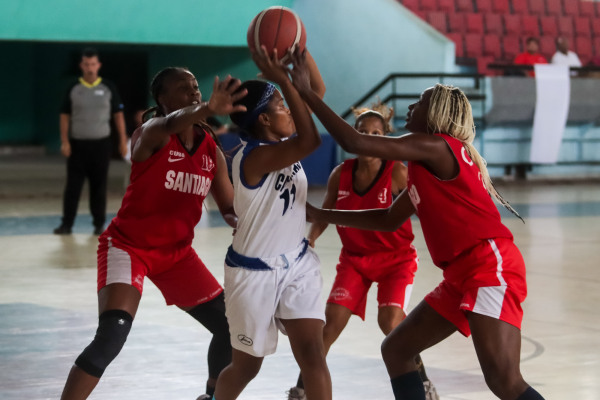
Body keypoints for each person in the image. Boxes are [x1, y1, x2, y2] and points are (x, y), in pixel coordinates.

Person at [289, 57, 546, 400]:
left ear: (435, 114)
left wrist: (307, 92)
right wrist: (321, 213)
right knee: (397, 349)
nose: (411, 106)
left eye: (420, 102)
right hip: (460, 273)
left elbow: (354, 142)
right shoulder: (426, 164)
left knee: (504, 380)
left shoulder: (437, 145)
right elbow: (387, 219)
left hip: (488, 265)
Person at [59, 68, 247, 400]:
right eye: (183, 88)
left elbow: (230, 209)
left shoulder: (210, 149)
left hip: (177, 255)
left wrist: (253, 225)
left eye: (195, 86)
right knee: (111, 336)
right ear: (162, 99)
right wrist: (207, 108)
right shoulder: (151, 133)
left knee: (230, 328)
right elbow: (168, 124)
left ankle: (211, 396)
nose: (194, 91)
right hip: (129, 247)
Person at [287, 103, 438, 400]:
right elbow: (325, 212)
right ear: (352, 135)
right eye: (361, 131)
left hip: (396, 260)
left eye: (375, 134)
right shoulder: (340, 174)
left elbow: (427, 209)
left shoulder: (398, 173)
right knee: (329, 325)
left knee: (390, 323)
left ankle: (422, 381)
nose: (368, 137)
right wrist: (311, 237)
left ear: (385, 138)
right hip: (354, 260)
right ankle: (302, 389)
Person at [213, 47, 331, 400]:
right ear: (264, 119)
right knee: (246, 367)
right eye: (282, 105)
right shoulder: (256, 156)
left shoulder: (280, 141)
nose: (290, 110)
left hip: (297, 263)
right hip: (253, 273)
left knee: (312, 354)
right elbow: (311, 139)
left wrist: (300, 52)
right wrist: (283, 81)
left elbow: (317, 92)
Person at [54, 47, 129, 235]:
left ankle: (98, 224)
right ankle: (67, 224)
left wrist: (122, 140)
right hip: (77, 145)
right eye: (86, 64)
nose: (89, 68)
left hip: (101, 145)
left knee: (99, 186)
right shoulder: (73, 87)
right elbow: (64, 116)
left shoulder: (108, 87)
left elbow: (118, 115)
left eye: (93, 64)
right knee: (73, 187)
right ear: (81, 66)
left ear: (98, 65)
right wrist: (65, 141)